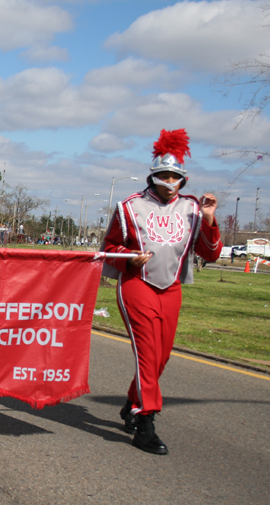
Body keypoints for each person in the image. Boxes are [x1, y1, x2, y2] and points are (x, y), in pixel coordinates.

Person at [101, 129, 221, 455]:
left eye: (175, 176)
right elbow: (109, 247)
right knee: (147, 353)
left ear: (183, 179)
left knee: (161, 357)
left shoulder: (194, 209)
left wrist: (210, 219)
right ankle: (146, 422)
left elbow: (210, 254)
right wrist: (129, 260)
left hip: (171, 287)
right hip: (137, 284)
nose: (169, 182)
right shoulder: (130, 207)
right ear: (152, 176)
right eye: (163, 175)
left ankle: (131, 402)